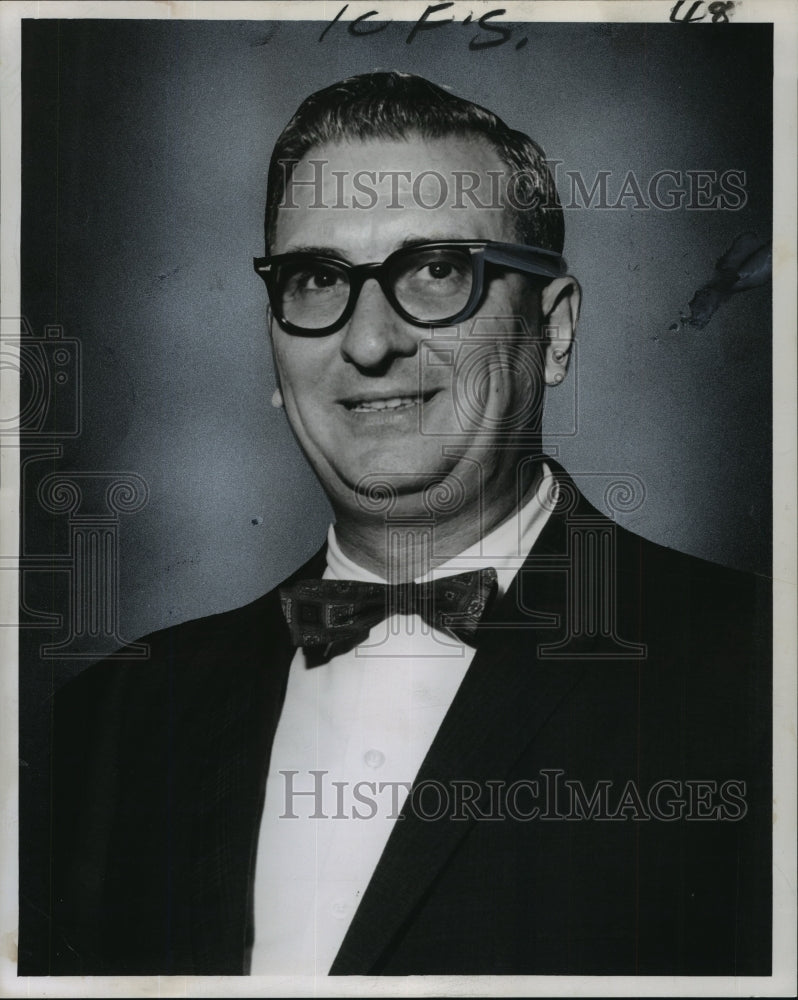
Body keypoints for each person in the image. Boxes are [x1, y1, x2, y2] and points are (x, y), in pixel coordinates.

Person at [43, 72, 771, 977]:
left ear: (556, 330)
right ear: (275, 347)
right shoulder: (113, 723)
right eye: (317, 279)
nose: (370, 342)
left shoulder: (756, 676)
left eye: (436, 272)